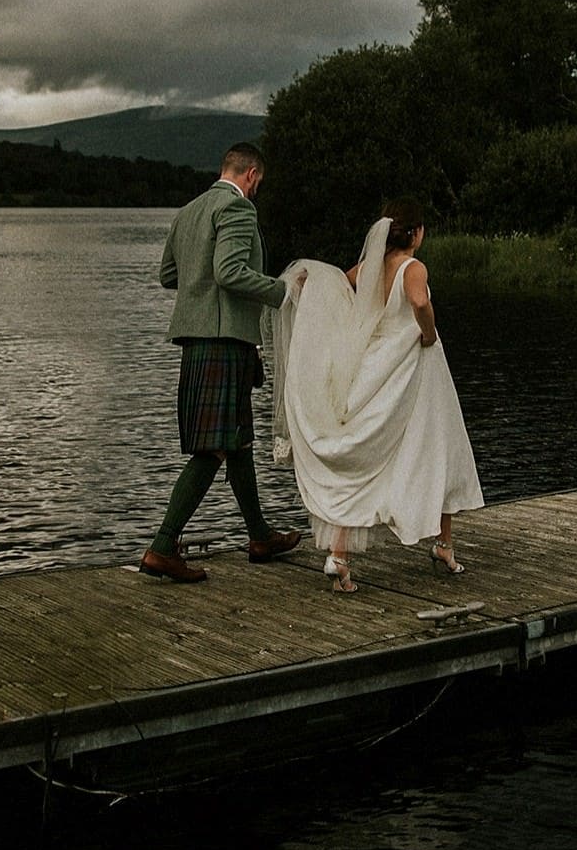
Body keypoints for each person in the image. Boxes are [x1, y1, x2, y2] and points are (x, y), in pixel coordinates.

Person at [270, 198, 484, 593]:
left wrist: (309, 287)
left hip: (375, 366)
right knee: (437, 447)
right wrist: (428, 332)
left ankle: (340, 556)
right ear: (417, 233)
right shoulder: (413, 267)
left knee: (367, 460)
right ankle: (443, 545)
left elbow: (340, 286)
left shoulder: (369, 268)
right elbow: (419, 301)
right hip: (413, 368)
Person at [139, 142, 305, 583]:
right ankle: (162, 546)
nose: (256, 191)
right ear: (251, 175)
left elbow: (168, 276)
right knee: (214, 448)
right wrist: (281, 291)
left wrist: (201, 291)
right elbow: (229, 272)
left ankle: (259, 536)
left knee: (237, 442)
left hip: (198, 342)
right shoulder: (238, 209)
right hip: (224, 342)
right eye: (258, 184)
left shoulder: (189, 211)